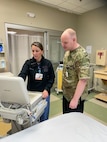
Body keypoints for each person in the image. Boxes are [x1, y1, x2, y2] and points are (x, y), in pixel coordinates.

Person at [18, 41, 55, 122]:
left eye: (37, 51)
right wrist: (18, 82)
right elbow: (22, 75)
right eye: (33, 51)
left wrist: (47, 89)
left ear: (42, 51)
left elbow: (52, 78)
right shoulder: (28, 63)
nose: (34, 53)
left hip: (44, 93)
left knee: (44, 117)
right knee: (32, 117)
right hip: (32, 93)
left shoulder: (47, 63)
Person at [60, 28, 90, 114]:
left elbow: (83, 79)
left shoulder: (82, 55)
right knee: (66, 119)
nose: (63, 45)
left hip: (76, 96)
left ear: (74, 40)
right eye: (62, 42)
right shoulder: (67, 53)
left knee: (75, 123)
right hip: (66, 94)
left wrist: (75, 99)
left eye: (65, 42)